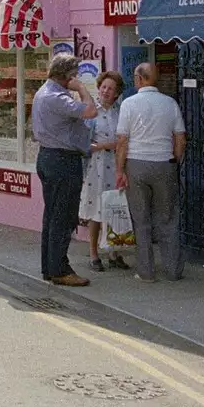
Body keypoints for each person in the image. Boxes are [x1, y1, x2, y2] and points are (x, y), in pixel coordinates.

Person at [115, 62, 187, 282]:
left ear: (139, 79)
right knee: (168, 218)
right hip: (164, 163)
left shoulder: (128, 104)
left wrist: (120, 169)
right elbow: (180, 137)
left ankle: (146, 272)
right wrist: (175, 160)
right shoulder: (170, 103)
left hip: (136, 163)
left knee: (141, 219)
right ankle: (173, 270)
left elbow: (122, 140)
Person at [31, 54, 98, 287]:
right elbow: (91, 111)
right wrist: (81, 88)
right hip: (62, 160)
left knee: (52, 216)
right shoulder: (57, 97)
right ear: (67, 75)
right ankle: (59, 269)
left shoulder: (44, 93)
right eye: (75, 75)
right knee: (63, 216)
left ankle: (50, 267)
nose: (77, 78)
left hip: (49, 157)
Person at [78, 71, 128, 272]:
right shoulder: (91, 112)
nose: (106, 91)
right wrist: (104, 145)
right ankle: (93, 253)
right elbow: (82, 142)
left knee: (115, 207)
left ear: (117, 93)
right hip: (96, 166)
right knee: (96, 209)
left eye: (111, 89)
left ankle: (114, 252)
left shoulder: (120, 112)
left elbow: (124, 139)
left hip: (116, 165)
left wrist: (113, 146)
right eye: (104, 87)